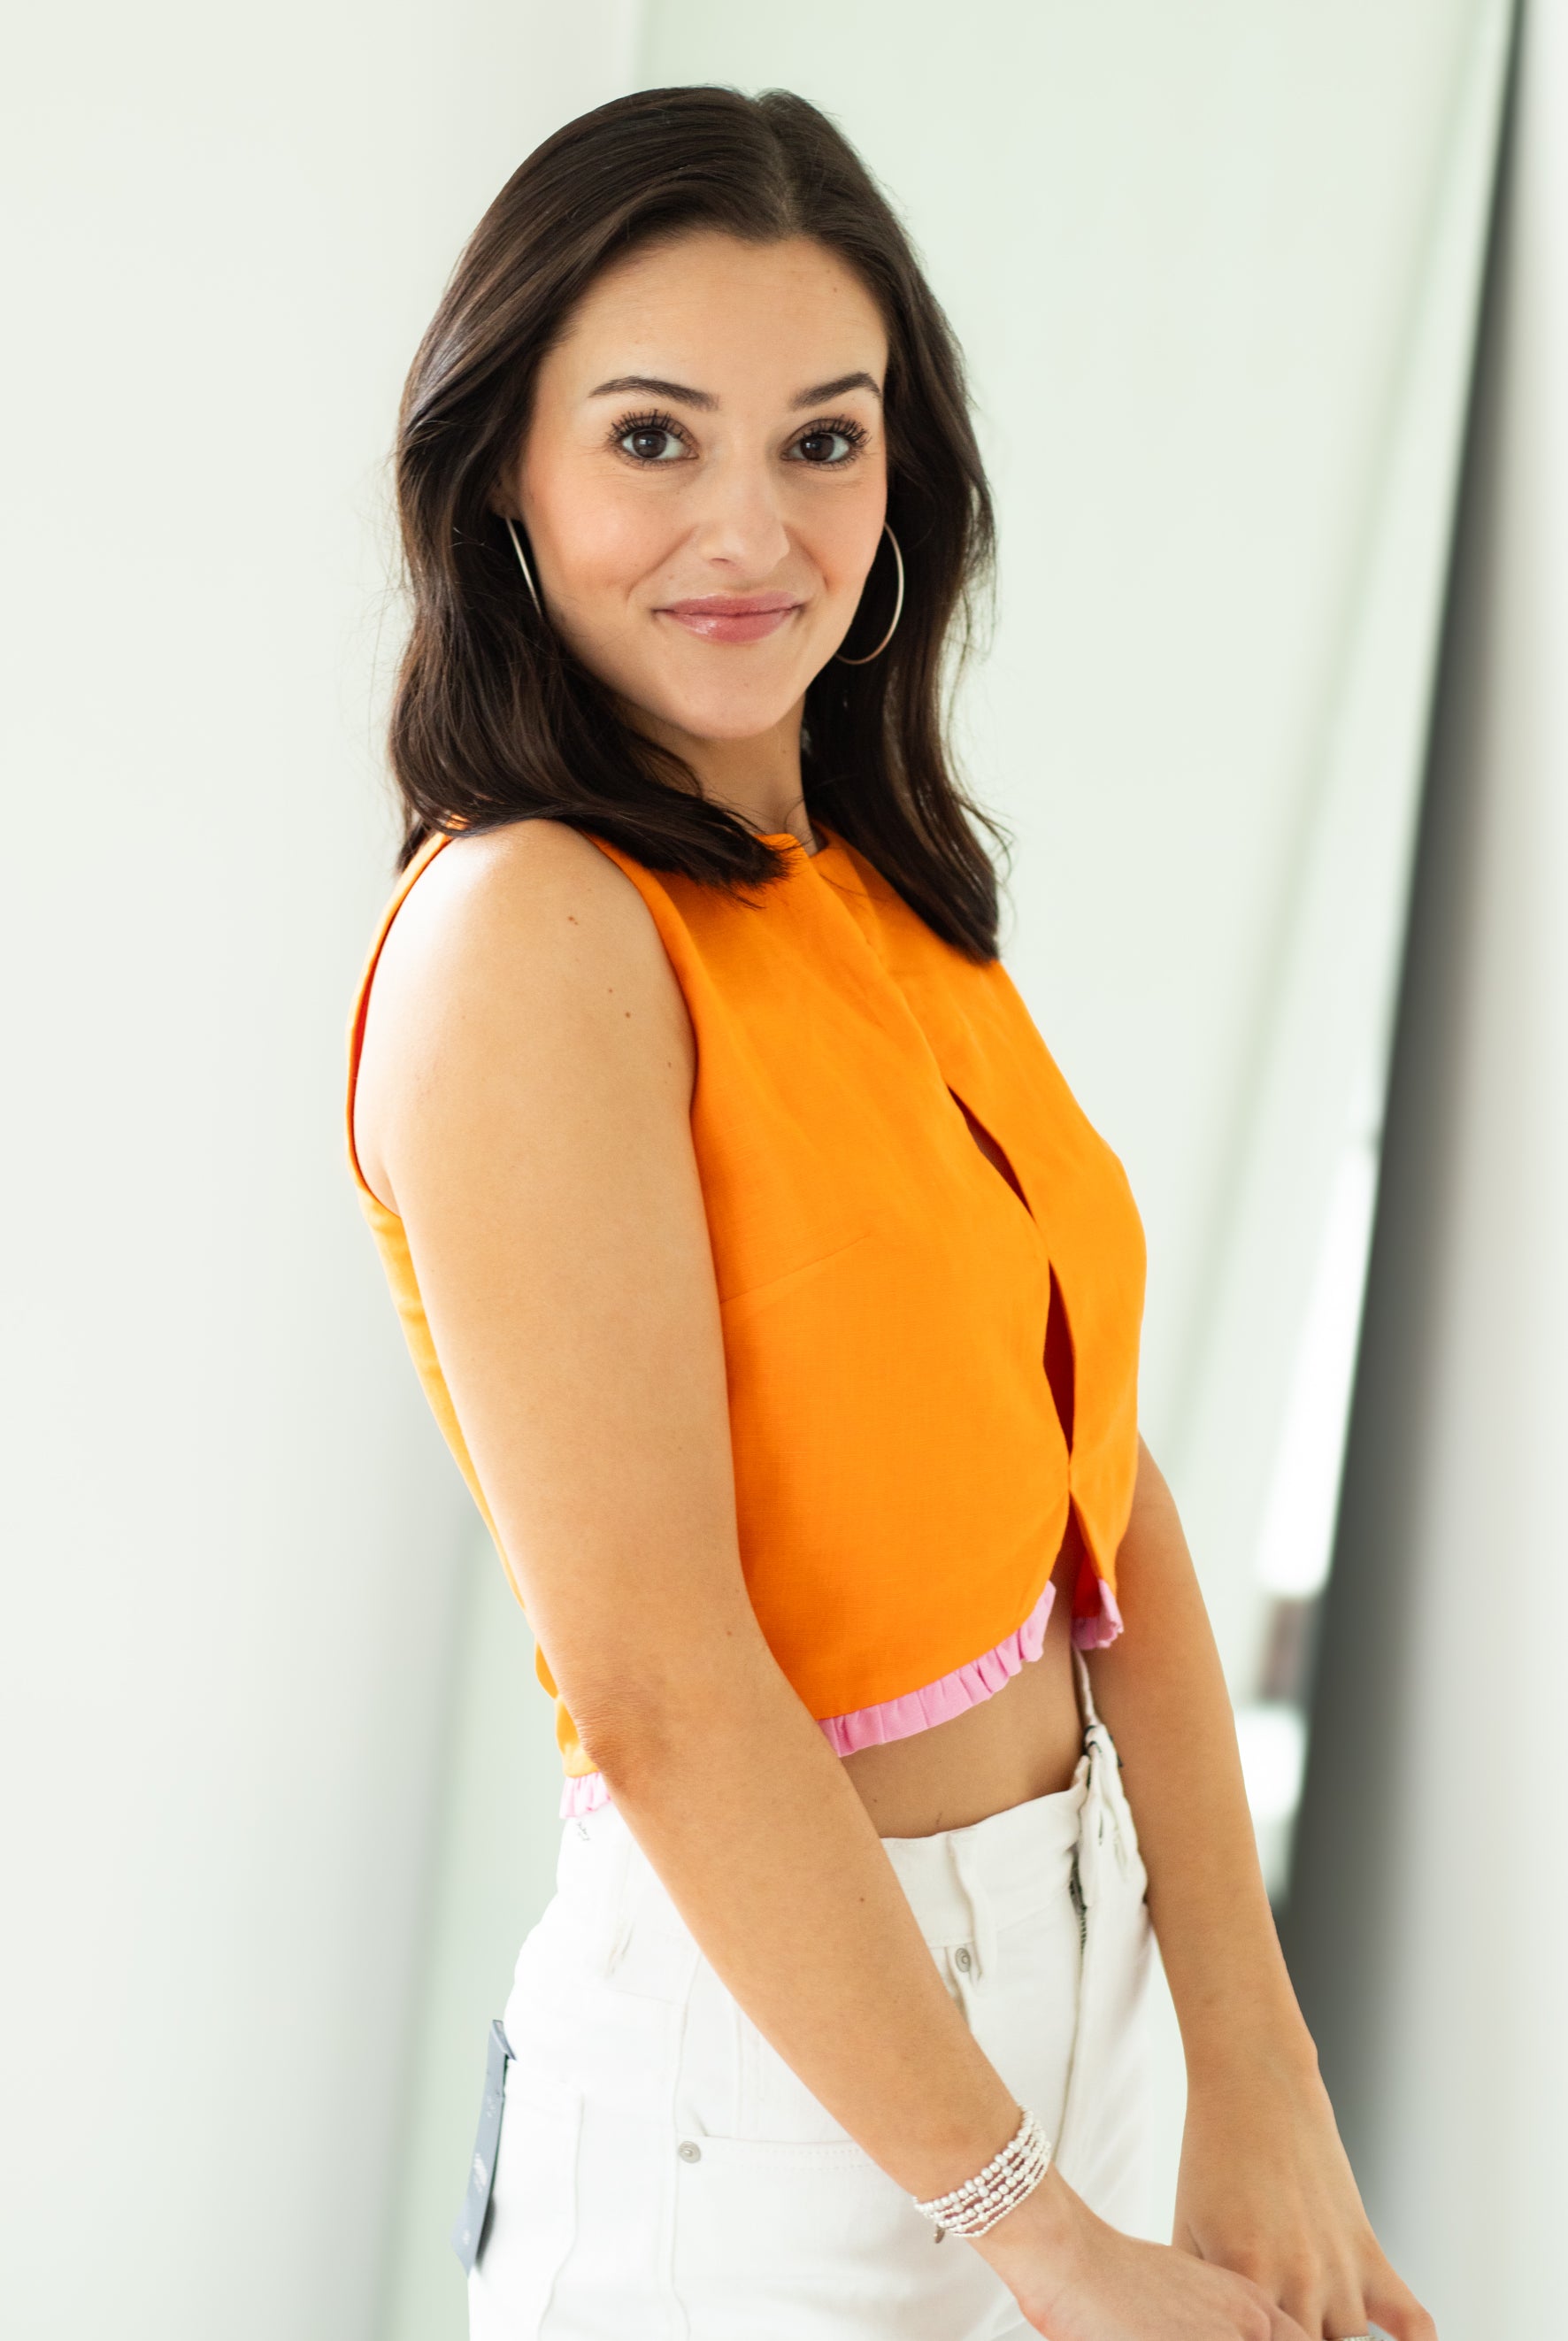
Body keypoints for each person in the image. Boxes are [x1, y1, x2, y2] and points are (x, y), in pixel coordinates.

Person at [345, 85, 1432, 2341]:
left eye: (822, 441)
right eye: (653, 438)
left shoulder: (874, 887)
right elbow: (655, 1686)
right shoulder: (532, 936)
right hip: (773, 2082)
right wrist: (1036, 2232)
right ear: (506, 477)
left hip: (1068, 1983)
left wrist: (1257, 2062)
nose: (748, 526)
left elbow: (1091, 1502)